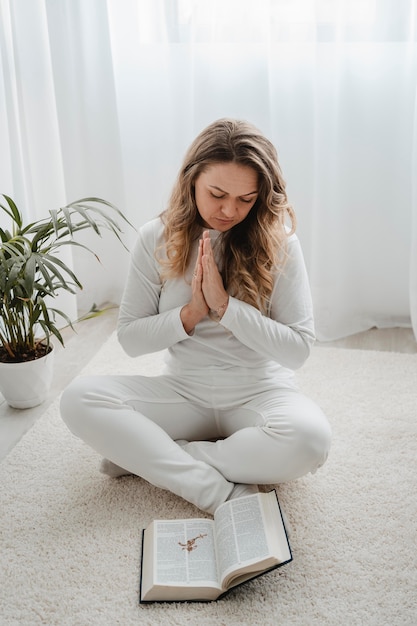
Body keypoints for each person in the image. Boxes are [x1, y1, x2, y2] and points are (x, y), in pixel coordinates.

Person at [60, 118, 331, 515]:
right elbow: (132, 340)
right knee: (79, 399)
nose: (229, 210)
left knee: (311, 441)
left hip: (258, 392)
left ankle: (153, 458)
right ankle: (213, 491)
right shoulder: (156, 236)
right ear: (191, 180)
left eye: (245, 199)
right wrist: (190, 314)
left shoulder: (281, 243)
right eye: (217, 193)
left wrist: (226, 309)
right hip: (184, 392)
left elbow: (297, 351)